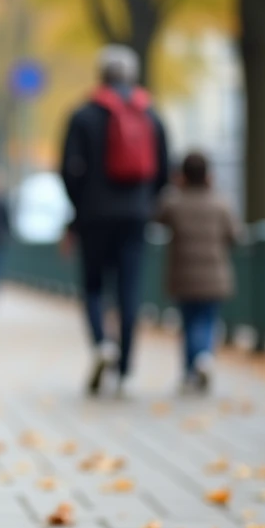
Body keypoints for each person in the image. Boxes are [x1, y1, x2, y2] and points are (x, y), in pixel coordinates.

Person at [61, 45, 169, 396]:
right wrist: (146, 203)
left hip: (94, 215)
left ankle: (101, 345)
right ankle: (124, 369)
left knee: (93, 285)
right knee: (129, 289)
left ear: (101, 75)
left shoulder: (84, 115)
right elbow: (165, 170)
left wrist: (80, 207)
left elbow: (68, 170)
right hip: (136, 216)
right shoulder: (151, 115)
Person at [156, 151, 239, 393]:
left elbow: (157, 218)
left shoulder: (174, 202)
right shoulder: (221, 203)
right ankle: (203, 357)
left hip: (183, 276)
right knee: (207, 320)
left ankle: (191, 370)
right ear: (208, 175)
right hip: (214, 275)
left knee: (189, 322)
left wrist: (175, 187)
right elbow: (235, 235)